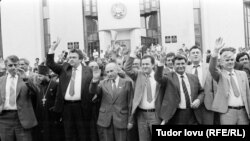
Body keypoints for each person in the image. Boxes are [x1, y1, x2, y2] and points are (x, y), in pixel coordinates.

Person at [46, 39, 94, 141]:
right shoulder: (64, 68)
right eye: (70, 57)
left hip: (82, 106)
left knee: (83, 134)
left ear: (80, 59)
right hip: (66, 107)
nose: (71, 59)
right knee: (69, 134)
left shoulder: (89, 71)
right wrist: (52, 49)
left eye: (74, 57)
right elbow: (50, 63)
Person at [124, 48, 164, 141]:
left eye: (147, 64)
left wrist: (161, 62)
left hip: (155, 114)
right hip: (141, 115)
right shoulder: (138, 75)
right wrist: (133, 54)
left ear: (153, 65)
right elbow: (127, 69)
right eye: (143, 64)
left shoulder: (158, 77)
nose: (144, 66)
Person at [209, 37, 250, 125]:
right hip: (227, 112)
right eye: (227, 60)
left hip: (243, 112)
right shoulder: (220, 75)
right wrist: (216, 51)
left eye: (232, 60)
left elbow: (247, 95)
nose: (230, 62)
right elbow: (212, 68)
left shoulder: (242, 74)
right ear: (221, 63)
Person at [155, 54, 205, 125]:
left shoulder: (193, 77)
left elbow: (201, 92)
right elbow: (158, 78)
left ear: (186, 64)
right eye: (178, 64)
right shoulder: (169, 77)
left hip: (193, 113)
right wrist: (161, 63)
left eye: (182, 63)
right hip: (176, 114)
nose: (180, 66)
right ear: (173, 65)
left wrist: (199, 100)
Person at [89, 62, 133, 141]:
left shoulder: (127, 83)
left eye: (111, 71)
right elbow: (93, 91)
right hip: (105, 120)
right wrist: (95, 79)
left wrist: (131, 120)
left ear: (117, 70)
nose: (109, 74)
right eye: (107, 72)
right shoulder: (102, 83)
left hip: (121, 120)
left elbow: (130, 103)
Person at [0, 55, 38, 141]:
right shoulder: (1, 80)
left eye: (15, 65)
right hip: (4, 118)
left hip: (22, 119)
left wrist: (26, 79)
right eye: (10, 65)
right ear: (6, 66)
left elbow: (36, 93)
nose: (13, 67)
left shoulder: (26, 79)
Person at [32, 65, 63, 141]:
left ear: (46, 75)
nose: (38, 78)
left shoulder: (55, 85)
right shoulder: (39, 86)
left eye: (40, 76)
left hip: (51, 115)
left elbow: (59, 100)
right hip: (40, 115)